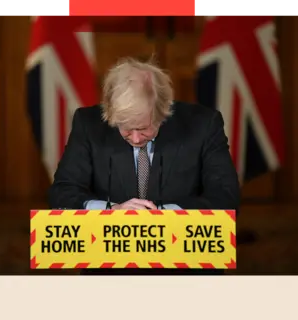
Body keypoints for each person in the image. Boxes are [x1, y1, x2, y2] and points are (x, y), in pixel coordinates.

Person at [48, 58, 240, 275]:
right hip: (110, 267)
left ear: (163, 111)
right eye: (126, 129)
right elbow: (62, 194)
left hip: (186, 266)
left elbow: (226, 198)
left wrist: (164, 216)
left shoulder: (204, 125)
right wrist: (111, 212)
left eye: (144, 128)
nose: (137, 138)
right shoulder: (88, 124)